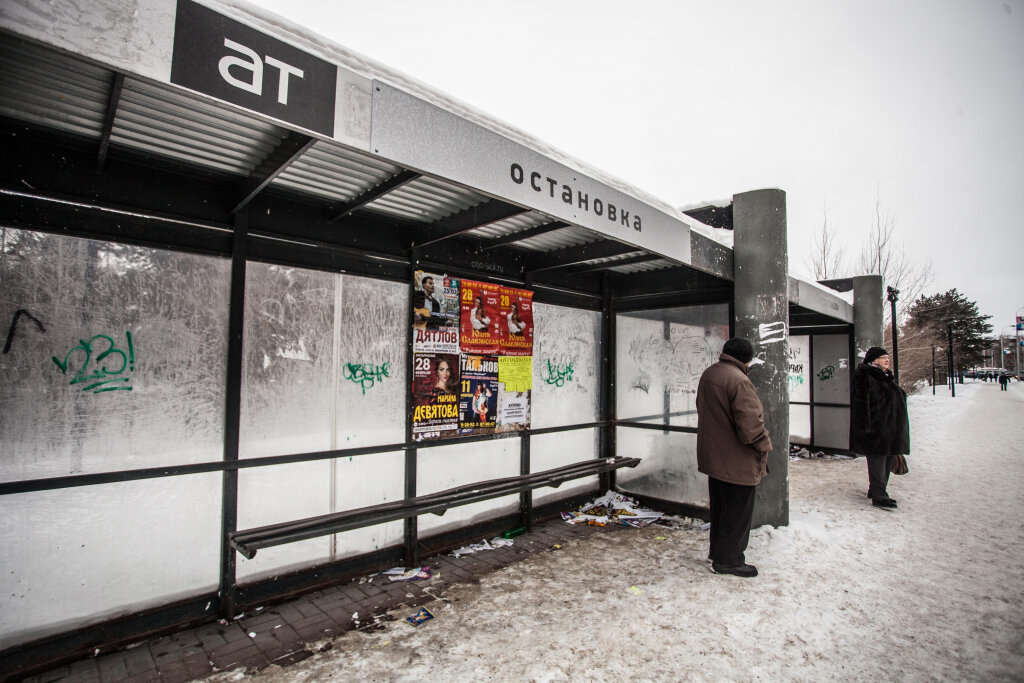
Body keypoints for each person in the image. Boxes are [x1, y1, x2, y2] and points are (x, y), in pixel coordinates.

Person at [696, 337, 773, 578]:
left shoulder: (710, 373)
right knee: (738, 511)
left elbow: (702, 407)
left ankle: (718, 553)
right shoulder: (740, 381)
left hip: (715, 455)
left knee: (721, 508)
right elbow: (750, 427)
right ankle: (729, 561)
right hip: (737, 458)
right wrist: (764, 444)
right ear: (746, 359)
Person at [850, 347, 910, 510]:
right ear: (873, 360)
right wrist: (865, 427)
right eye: (882, 357)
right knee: (878, 461)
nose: (887, 360)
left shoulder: (885, 376)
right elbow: (861, 404)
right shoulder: (865, 376)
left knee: (888, 459)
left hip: (891, 428)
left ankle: (877, 489)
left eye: (887, 357)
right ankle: (879, 495)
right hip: (877, 428)